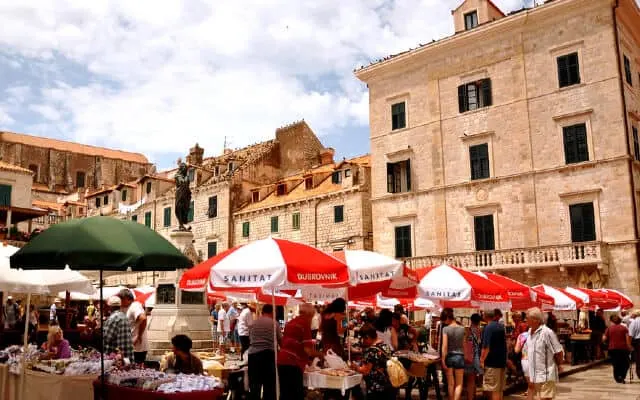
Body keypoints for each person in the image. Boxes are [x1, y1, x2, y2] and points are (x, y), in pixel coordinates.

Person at [278, 303, 323, 400]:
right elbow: (308, 350)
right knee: (296, 394)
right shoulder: (305, 323)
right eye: (312, 315)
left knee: (285, 393)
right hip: (293, 362)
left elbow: (289, 343)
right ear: (309, 314)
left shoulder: (290, 323)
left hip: (282, 360)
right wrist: (321, 354)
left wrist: (307, 359)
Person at [525, 307, 564, 400]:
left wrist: (559, 365)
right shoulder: (529, 332)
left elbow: (558, 351)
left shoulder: (547, 333)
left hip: (546, 375)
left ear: (535, 320)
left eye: (527, 318)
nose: (525, 320)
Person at [351, 323, 395, 400]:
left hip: (377, 390)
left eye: (363, 338)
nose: (363, 341)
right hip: (389, 386)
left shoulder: (372, 351)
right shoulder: (385, 346)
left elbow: (365, 371)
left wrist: (355, 367)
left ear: (367, 337)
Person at [248, 304, 282, 400]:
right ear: (272, 312)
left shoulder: (254, 323)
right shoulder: (274, 323)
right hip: (268, 355)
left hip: (253, 355)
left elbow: (250, 339)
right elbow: (280, 341)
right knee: (269, 385)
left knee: (254, 385)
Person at [480, 309, 507, 400]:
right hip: (501, 362)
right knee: (499, 389)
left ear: (486, 316)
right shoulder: (501, 327)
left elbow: (486, 347)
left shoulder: (488, 328)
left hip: (491, 363)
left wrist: (482, 360)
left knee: (493, 388)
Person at [441, 309, 465, 400]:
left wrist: (443, 360)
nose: (444, 322)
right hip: (460, 356)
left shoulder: (445, 329)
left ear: (447, 318)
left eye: (444, 319)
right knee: (459, 383)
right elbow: (463, 344)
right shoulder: (462, 329)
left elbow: (445, 346)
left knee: (450, 383)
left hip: (450, 357)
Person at [120, 289, 149, 364]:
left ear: (127, 298)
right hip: (132, 347)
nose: (120, 301)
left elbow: (143, 318)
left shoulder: (134, 306)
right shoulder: (126, 308)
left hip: (137, 348)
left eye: (121, 299)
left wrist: (139, 336)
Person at [102, 296, 134, 360]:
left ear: (110, 307)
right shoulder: (124, 316)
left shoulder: (113, 318)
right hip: (127, 356)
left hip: (116, 358)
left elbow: (107, 338)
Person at [603, 314, 632, 383]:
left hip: (612, 349)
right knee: (625, 363)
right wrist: (629, 347)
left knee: (615, 363)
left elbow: (604, 339)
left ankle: (617, 377)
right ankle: (622, 376)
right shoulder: (624, 328)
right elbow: (627, 339)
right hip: (623, 348)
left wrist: (605, 340)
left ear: (612, 321)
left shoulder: (609, 328)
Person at [464, 313, 483, 400]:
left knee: (470, 380)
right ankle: (473, 396)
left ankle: (470, 397)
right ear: (479, 321)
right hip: (477, 357)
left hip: (469, 357)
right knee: (474, 379)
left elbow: (464, 343)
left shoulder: (467, 330)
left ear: (471, 320)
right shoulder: (480, 331)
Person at [514, 326, 533, 400]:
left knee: (531, 385)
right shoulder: (542, 334)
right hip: (538, 361)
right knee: (537, 387)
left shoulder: (522, 336)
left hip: (526, 361)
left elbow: (516, 350)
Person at [629, 309, 640, 381]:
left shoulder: (634, 322)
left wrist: (629, 345)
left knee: (639, 358)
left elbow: (630, 335)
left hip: (638, 342)